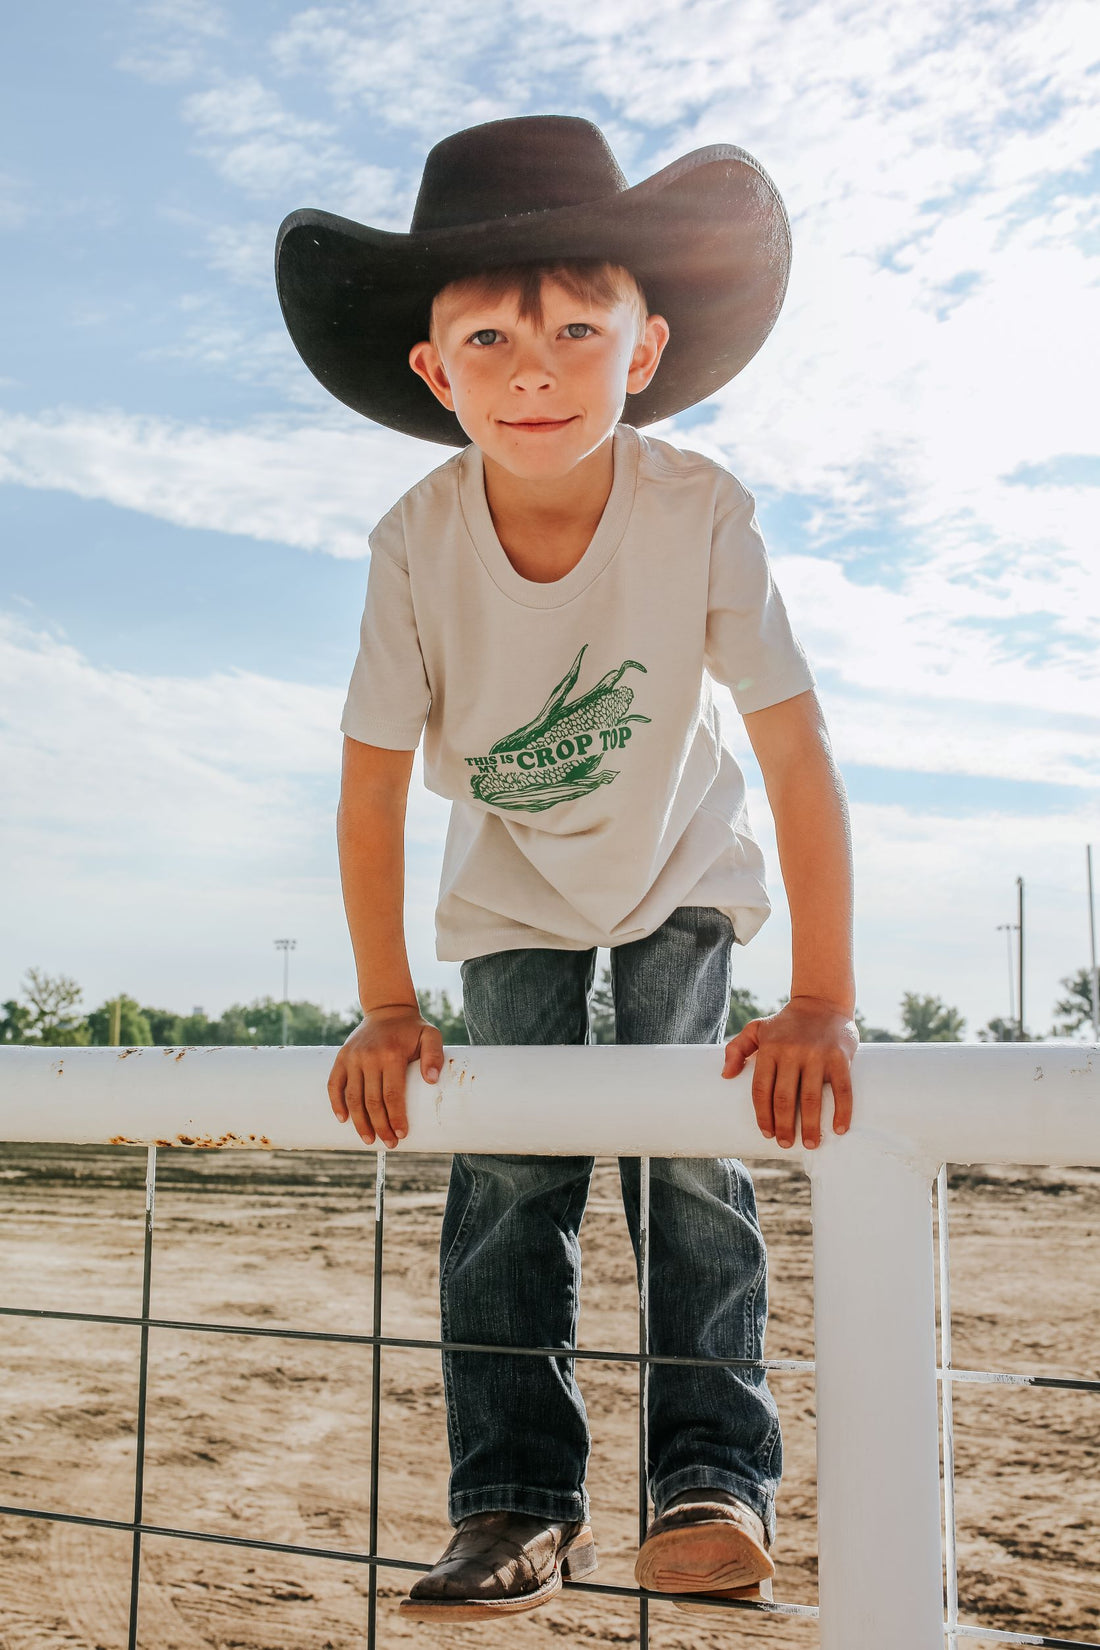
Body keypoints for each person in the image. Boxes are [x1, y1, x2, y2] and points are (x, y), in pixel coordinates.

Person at [276, 114, 857, 1622]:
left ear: (644, 348)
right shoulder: (415, 543)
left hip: (679, 856)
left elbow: (795, 750)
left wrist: (822, 997)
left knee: (691, 1157)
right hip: (516, 875)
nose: (535, 370)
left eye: (576, 329)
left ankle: (712, 1478)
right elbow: (371, 782)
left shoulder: (700, 512)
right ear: (435, 369)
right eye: (490, 337)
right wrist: (388, 1003)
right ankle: (514, 1500)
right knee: (510, 1175)